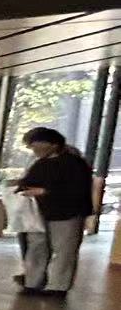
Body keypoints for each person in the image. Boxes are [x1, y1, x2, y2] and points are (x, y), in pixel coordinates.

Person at [14, 127, 94, 298]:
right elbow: (27, 182)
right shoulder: (40, 163)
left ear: (52, 144)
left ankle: (58, 287)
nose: (33, 149)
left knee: (64, 250)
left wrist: (44, 191)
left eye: (36, 145)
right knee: (36, 248)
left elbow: (78, 189)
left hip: (68, 213)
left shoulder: (74, 163)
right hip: (39, 213)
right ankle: (32, 283)